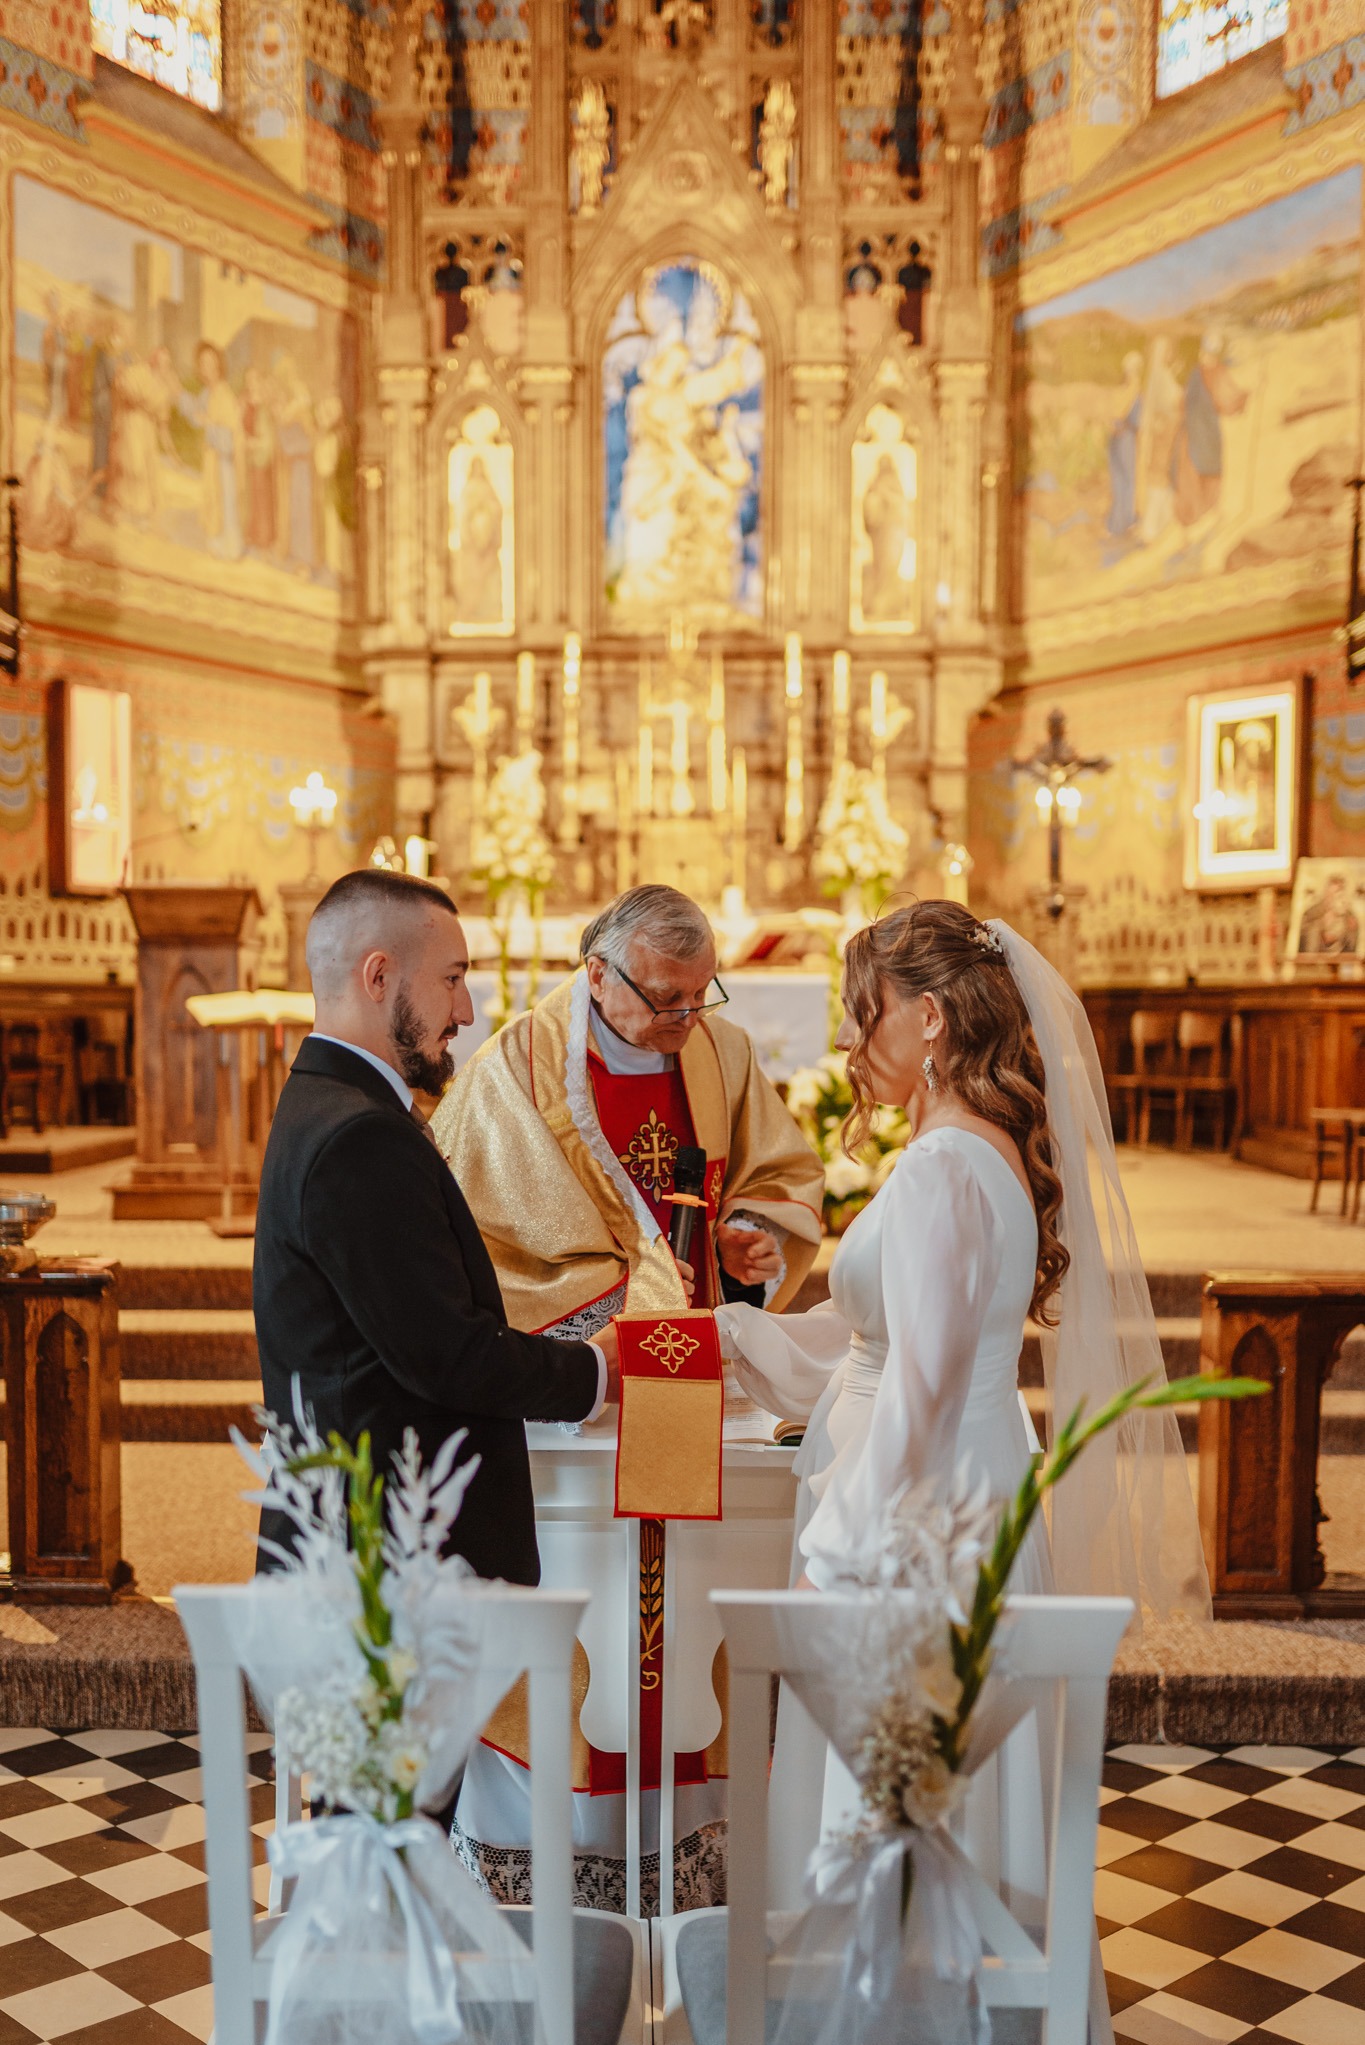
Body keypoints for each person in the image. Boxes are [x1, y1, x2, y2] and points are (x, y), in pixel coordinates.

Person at [715, 900, 1209, 2039]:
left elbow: (926, 1388)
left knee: (903, 1803)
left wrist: (840, 1556)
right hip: (955, 1490)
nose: (849, 1037)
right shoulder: (966, 1150)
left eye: (864, 1013)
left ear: (928, 1017)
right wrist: (755, 1341)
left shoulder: (943, 1166)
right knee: (947, 1807)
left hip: (916, 1522)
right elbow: (893, 1339)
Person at [434, 882, 824, 1909]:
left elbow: (781, 1179)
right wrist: (614, 1315)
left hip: (698, 1375)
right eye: (661, 998)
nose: (680, 1021)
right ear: (596, 971)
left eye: (698, 998)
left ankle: (689, 1853)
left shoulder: (718, 1051)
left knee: (697, 1600)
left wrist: (751, 1243)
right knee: (578, 1609)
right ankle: (559, 1870)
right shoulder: (513, 1071)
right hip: (579, 1385)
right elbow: (469, 1244)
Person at [252, 867, 618, 1587]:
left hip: (368, 1533)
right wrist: (602, 1368)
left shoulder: (327, 1100)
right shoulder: (358, 1135)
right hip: (383, 1553)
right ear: (379, 975)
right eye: (452, 979)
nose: (467, 1010)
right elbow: (447, 1355)